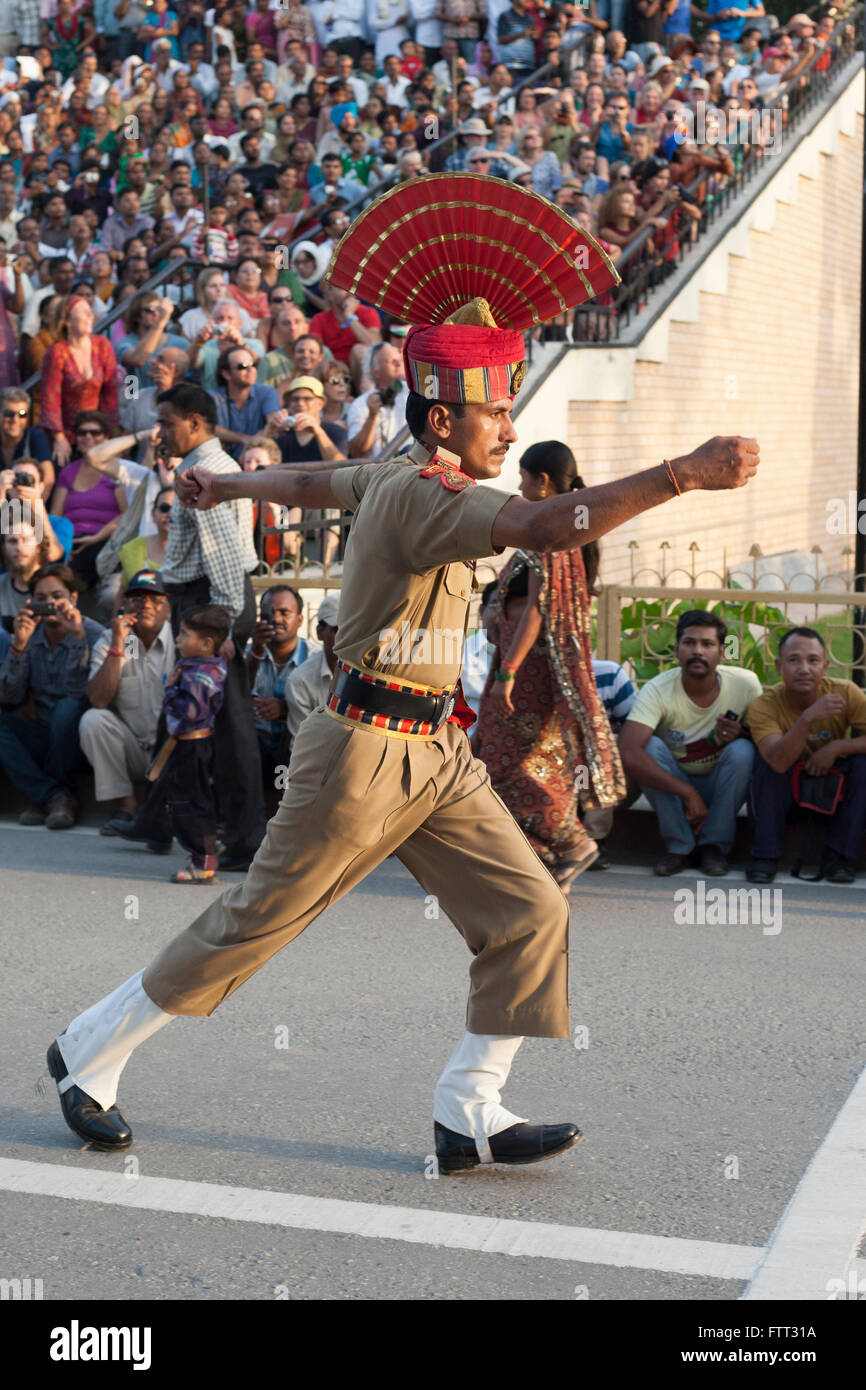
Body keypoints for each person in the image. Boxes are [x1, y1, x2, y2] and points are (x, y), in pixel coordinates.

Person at [45, 175, 759, 1171]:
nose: (509, 429)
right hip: (362, 752)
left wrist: (229, 477)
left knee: (529, 910)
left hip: (434, 747)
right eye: (494, 412)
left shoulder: (396, 472)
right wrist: (679, 473)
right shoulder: (435, 494)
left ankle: (468, 1106)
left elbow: (310, 479)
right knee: (254, 923)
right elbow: (550, 526)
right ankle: (90, 1052)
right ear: (440, 423)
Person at [477, 444, 626, 893]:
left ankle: (574, 842)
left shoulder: (555, 529)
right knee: (523, 758)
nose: (519, 487)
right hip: (522, 666)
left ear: (543, 482)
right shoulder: (560, 521)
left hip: (530, 670)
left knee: (506, 763)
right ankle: (537, 862)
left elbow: (539, 608)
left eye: (523, 478)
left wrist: (508, 671)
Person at [153, 383, 265, 873]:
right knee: (187, 714)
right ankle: (159, 820)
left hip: (211, 605)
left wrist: (219, 632)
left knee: (225, 723)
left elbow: (221, 559)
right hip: (208, 604)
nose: (161, 431)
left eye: (167, 422)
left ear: (195, 423)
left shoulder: (206, 472)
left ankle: (245, 840)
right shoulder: (205, 467)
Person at [618, 609, 762, 877]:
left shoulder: (746, 685)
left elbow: (765, 743)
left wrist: (740, 734)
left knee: (743, 750)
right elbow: (629, 751)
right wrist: (688, 793)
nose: (698, 651)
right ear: (676, 650)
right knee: (648, 748)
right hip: (674, 786)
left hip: (720, 785)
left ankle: (713, 848)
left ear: (721, 652)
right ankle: (679, 848)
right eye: (689, 643)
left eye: (707, 644)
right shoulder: (658, 689)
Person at [110, 602, 231, 883]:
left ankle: (203, 860)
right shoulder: (201, 664)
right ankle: (204, 848)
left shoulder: (201, 674)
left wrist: (170, 690)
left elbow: (191, 712)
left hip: (192, 746)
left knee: (189, 802)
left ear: (206, 643)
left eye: (185, 634)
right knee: (189, 799)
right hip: (185, 745)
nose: (177, 639)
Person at [746, 628, 866, 886]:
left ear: (825, 666)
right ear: (779, 666)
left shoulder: (845, 693)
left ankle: (838, 858)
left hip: (832, 786)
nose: (804, 669)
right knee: (764, 763)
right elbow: (777, 761)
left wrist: (836, 748)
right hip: (784, 786)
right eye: (793, 660)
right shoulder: (764, 705)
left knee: (863, 765)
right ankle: (765, 856)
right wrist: (808, 717)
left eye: (812, 661)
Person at [0, 562, 104, 828]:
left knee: (67, 709)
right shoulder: (29, 633)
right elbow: (10, 697)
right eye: (42, 598)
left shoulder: (93, 634)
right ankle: (52, 796)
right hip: (42, 733)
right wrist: (19, 647)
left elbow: (78, 694)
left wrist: (77, 637)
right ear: (31, 601)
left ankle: (47, 795)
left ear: (74, 598)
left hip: (78, 737)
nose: (51, 604)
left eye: (57, 596)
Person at [79, 570, 176, 830]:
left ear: (168, 607)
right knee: (93, 720)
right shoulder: (113, 639)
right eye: (137, 597)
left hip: (172, 751)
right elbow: (98, 700)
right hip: (133, 750)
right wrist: (117, 647)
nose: (145, 604)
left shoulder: (182, 640)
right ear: (124, 604)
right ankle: (126, 804)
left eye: (155, 599)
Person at [39, 296, 119, 468]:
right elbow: (50, 398)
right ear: (67, 321)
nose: (90, 316)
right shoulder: (57, 352)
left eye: (90, 313)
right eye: (84, 313)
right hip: (68, 433)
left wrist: (110, 434)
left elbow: (110, 394)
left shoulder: (102, 345)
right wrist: (58, 437)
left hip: (98, 432)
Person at [245, 584, 315, 778]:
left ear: (300, 619)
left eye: (284, 613)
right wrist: (256, 651)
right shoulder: (248, 653)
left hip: (297, 754)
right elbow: (237, 695)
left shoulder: (314, 658)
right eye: (269, 612)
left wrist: (286, 709)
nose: (276, 619)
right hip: (252, 753)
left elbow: (323, 710)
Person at [211, 344, 282, 461]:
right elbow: (208, 429)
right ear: (226, 374)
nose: (251, 369)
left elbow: (272, 418)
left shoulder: (267, 392)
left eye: (253, 364)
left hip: (256, 464)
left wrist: (276, 420)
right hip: (221, 464)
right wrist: (244, 438)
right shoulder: (212, 397)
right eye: (242, 366)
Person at [284, 594, 339, 740]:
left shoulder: (370, 675)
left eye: (351, 628)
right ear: (320, 632)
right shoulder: (301, 681)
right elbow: (303, 745)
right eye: (337, 629)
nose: (346, 636)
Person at [345, 342, 408, 458]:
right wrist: (372, 416)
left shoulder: (413, 392)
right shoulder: (360, 404)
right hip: (377, 472)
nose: (399, 363)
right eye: (391, 361)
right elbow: (356, 453)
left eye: (399, 359)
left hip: (411, 469)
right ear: (375, 371)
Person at [118, 485, 174, 584]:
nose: (171, 513)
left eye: (177, 508)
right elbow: (125, 592)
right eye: (164, 508)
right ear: (153, 514)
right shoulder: (133, 548)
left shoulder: (196, 550)